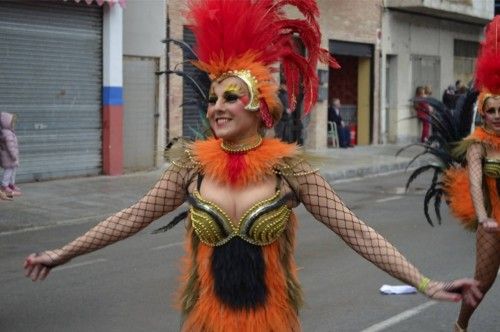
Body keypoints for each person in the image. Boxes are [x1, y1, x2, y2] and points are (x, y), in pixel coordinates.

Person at [24, 1, 481, 331]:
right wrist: (61, 254)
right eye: (213, 98)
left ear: (260, 107)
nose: (216, 107)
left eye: (230, 97)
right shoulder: (191, 165)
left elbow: (357, 232)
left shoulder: (291, 172)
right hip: (206, 322)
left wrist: (426, 283)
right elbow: (130, 218)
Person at [404, 16, 500, 332]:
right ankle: (461, 325)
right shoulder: (478, 146)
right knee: (482, 282)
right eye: (491, 111)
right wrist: (484, 218)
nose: (497, 116)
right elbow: (475, 182)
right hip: (494, 223)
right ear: (483, 113)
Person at [0, 112, 21, 198]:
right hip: (9, 157)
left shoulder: (8, 132)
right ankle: (4, 186)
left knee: (13, 170)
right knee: (8, 171)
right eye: (12, 123)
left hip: (10, 157)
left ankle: (10, 184)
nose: (13, 124)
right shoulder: (7, 134)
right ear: (6, 123)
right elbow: (10, 147)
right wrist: (14, 155)